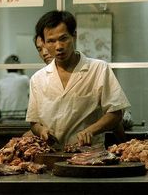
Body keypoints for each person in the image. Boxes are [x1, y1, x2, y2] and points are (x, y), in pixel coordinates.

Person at [26, 10, 130, 148]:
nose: (58, 47)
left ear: (74, 36)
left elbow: (116, 113)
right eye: (51, 41)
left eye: (63, 39)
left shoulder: (98, 69)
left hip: (89, 156)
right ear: (44, 43)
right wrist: (41, 130)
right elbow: (34, 122)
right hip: (51, 155)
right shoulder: (37, 79)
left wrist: (90, 131)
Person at [0, 55, 29, 124]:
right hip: (21, 120)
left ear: (6, 67)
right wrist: (21, 69)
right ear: (19, 66)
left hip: (4, 120)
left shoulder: (0, 83)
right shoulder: (25, 80)